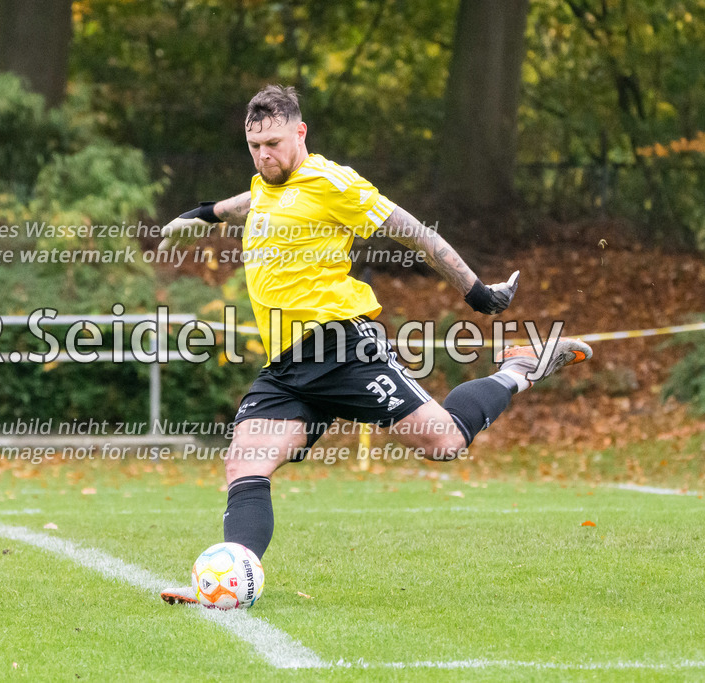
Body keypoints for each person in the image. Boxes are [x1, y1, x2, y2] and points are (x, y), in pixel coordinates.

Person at [158, 85, 592, 605]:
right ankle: (228, 584)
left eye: (273, 142)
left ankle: (518, 369)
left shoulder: (333, 181)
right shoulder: (267, 183)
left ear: (300, 132)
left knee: (446, 443)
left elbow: (414, 233)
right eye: (254, 146)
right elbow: (251, 201)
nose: (263, 155)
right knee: (244, 464)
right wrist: (201, 215)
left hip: (343, 349)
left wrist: (477, 291)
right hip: (286, 368)